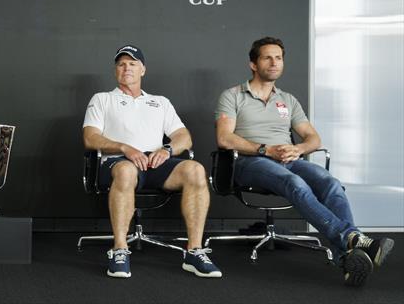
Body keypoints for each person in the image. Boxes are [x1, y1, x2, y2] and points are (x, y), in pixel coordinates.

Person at [215, 36, 394, 287]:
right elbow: (224, 138)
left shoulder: (287, 100)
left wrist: (297, 148)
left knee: (330, 182)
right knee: (294, 182)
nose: (274, 63)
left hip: (287, 159)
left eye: (278, 58)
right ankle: (353, 237)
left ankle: (349, 257)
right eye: (267, 57)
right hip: (250, 162)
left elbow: (313, 138)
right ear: (253, 65)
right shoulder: (233, 95)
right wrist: (267, 150)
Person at [83, 45, 222, 279]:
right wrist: (124, 147)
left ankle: (194, 252)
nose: (126, 68)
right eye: (121, 64)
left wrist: (167, 150)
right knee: (126, 171)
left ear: (143, 70)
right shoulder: (103, 99)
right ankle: (119, 250)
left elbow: (184, 137)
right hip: (118, 162)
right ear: (116, 70)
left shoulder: (160, 102)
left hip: (155, 164)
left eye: (132, 63)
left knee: (195, 170)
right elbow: (90, 138)